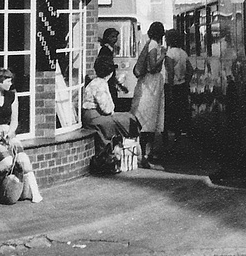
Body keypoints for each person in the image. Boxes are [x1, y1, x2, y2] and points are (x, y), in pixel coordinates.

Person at [0, 67, 42, 203]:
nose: (10, 83)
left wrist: (10, 134)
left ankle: (33, 192)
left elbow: (14, 121)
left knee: (23, 159)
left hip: (7, 133)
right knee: (6, 161)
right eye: (8, 81)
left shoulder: (12, 97)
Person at [82, 55, 140, 166]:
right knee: (127, 120)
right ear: (110, 72)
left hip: (91, 115)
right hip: (95, 116)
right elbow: (107, 109)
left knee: (125, 118)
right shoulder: (101, 84)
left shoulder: (95, 82)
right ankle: (133, 152)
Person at [130, 21, 165, 168]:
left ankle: (145, 153)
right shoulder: (153, 46)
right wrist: (162, 56)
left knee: (148, 119)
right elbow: (151, 67)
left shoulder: (150, 44)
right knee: (148, 119)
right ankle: (145, 154)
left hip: (150, 84)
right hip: (150, 85)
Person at [164, 29, 193, 141]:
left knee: (169, 111)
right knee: (180, 110)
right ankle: (178, 134)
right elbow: (190, 70)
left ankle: (166, 136)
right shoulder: (183, 53)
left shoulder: (170, 54)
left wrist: (170, 88)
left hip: (172, 85)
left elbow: (170, 72)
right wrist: (186, 81)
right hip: (182, 86)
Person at [96, 28, 128, 108]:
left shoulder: (110, 49)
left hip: (111, 80)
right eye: (112, 36)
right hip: (107, 80)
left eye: (116, 37)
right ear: (107, 37)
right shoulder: (105, 50)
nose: (115, 39)